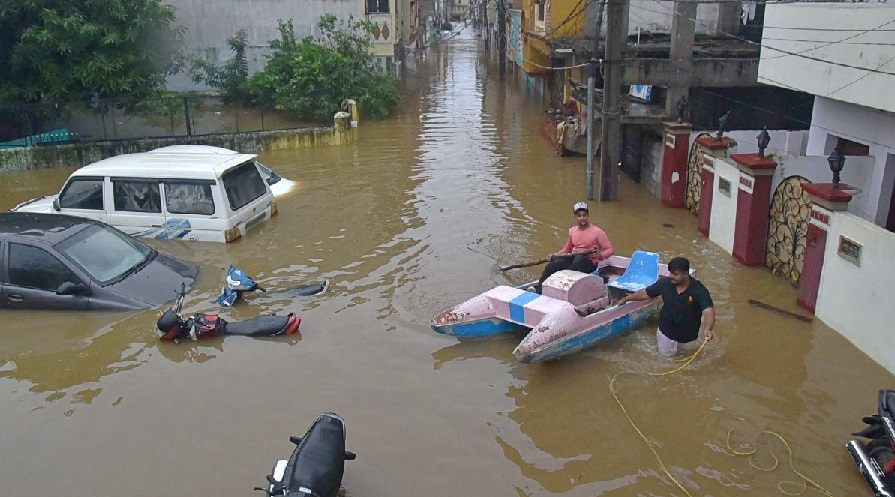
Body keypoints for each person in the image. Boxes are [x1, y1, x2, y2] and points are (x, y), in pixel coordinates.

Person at [615, 256, 715, 357]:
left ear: (685, 274)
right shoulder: (665, 283)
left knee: (687, 358)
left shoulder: (699, 290)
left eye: (675, 274)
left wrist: (708, 328)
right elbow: (646, 293)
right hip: (666, 334)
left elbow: (708, 311)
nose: (671, 276)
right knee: (666, 362)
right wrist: (626, 299)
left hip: (689, 338)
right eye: (670, 272)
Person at [530, 201, 614, 293]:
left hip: (589, 263)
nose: (582, 218)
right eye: (579, 216)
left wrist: (600, 255)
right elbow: (567, 249)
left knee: (579, 259)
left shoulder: (598, 232)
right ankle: (539, 291)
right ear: (575, 217)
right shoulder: (572, 231)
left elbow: (610, 250)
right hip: (573, 259)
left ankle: (561, 289)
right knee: (553, 265)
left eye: (584, 215)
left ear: (588, 216)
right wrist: (555, 255)